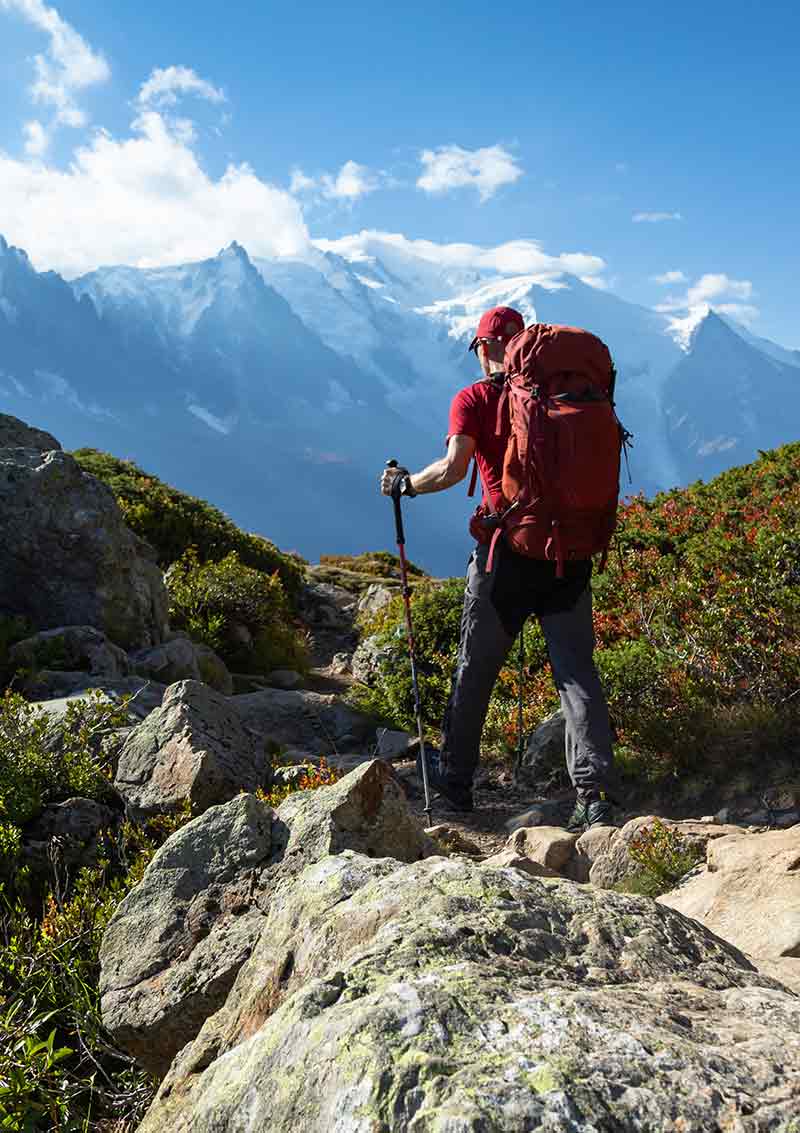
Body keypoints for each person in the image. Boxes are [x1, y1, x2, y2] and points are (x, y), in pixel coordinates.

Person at [380, 305, 617, 832]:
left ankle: (456, 782)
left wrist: (404, 484)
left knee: (475, 669)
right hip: (569, 553)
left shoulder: (476, 398)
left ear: (487, 347)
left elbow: (452, 469)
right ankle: (595, 795)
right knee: (576, 675)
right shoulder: (568, 392)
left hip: (505, 555)